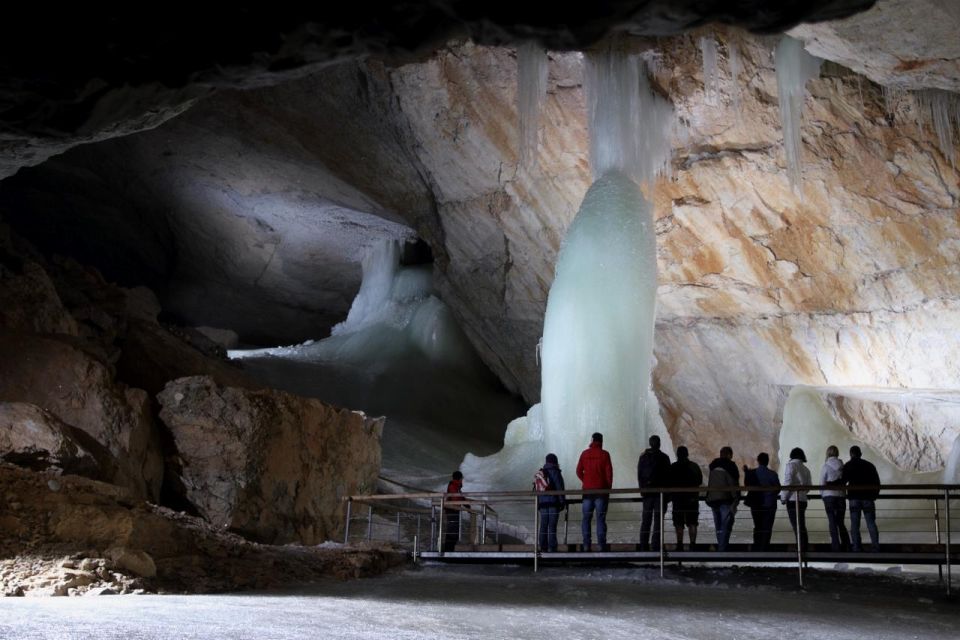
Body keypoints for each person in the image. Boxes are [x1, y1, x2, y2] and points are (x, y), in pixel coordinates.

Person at [576, 432, 613, 551]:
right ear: (601, 441)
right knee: (600, 518)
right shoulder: (605, 454)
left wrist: (586, 481)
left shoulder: (585, 453)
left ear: (592, 440)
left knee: (586, 518)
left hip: (587, 492)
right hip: (601, 492)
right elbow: (609, 474)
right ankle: (601, 545)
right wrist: (607, 488)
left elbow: (578, 471)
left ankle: (586, 545)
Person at [841, 445, 881, 552]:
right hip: (868, 498)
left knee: (855, 524)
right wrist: (874, 496)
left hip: (854, 498)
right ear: (860, 454)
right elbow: (877, 482)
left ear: (850, 455)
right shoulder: (869, 465)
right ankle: (876, 547)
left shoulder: (848, 465)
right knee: (871, 523)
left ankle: (856, 547)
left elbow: (842, 482)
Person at [637, 435, 671, 550]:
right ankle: (656, 545)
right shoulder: (664, 458)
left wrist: (642, 490)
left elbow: (639, 474)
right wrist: (667, 495)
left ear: (650, 444)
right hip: (660, 494)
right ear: (659, 444)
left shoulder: (643, 457)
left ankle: (643, 545)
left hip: (647, 493)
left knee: (646, 519)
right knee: (658, 520)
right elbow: (668, 477)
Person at [743, 452, 780, 551]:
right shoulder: (772, 474)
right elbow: (778, 489)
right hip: (769, 504)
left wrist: (746, 472)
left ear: (758, 461)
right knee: (767, 527)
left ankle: (757, 547)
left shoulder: (752, 473)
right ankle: (765, 548)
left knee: (757, 526)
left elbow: (747, 486)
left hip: (756, 503)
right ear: (767, 462)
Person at [668, 446, 703, 551]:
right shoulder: (694, 466)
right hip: (692, 499)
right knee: (692, 522)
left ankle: (680, 545)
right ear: (687, 454)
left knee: (678, 523)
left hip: (678, 499)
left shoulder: (673, 467)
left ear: (677, 454)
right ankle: (693, 544)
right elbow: (700, 481)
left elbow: (668, 481)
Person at [705, 446, 740, 551]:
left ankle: (721, 546)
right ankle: (722, 548)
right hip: (726, 499)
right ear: (729, 455)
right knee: (726, 524)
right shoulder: (730, 466)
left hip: (712, 499)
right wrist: (736, 499)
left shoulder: (713, 465)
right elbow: (733, 483)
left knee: (718, 524)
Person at [821, 445, 851, 551]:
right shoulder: (842, 466)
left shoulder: (825, 466)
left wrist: (822, 495)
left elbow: (822, 483)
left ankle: (835, 546)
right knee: (840, 521)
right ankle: (846, 544)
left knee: (832, 521)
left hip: (829, 496)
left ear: (828, 453)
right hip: (841, 496)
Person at [780, 447, 811, 551]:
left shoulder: (791, 465)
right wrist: (802, 493)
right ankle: (804, 548)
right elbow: (809, 486)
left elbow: (787, 482)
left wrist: (783, 498)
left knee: (796, 526)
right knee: (801, 526)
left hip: (793, 500)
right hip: (803, 500)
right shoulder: (806, 469)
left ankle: (800, 550)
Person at [537, 453, 566, 553]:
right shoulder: (556, 472)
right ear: (555, 461)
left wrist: (539, 504)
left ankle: (543, 547)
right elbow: (560, 488)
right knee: (552, 526)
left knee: (543, 525)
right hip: (553, 503)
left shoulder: (541, 472)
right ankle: (552, 548)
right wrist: (562, 502)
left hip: (543, 504)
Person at [443, 471, 465, 552]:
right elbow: (455, 498)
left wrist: (467, 505)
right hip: (452, 510)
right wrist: (463, 505)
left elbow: (461, 497)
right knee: (452, 530)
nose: (462, 480)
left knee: (453, 530)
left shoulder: (457, 486)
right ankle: (448, 550)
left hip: (454, 510)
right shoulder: (453, 486)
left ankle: (450, 549)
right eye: (461, 478)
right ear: (459, 479)